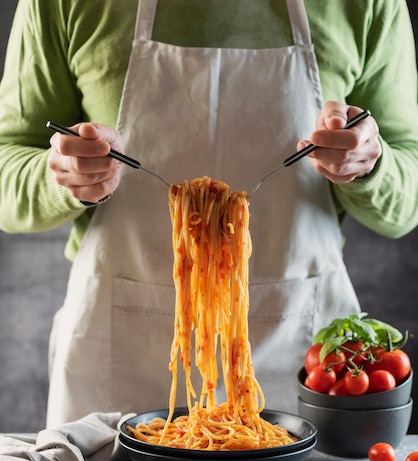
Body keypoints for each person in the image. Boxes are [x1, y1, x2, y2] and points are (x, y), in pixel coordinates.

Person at [0, 0, 417, 427]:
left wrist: (370, 163)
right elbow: (6, 175)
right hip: (119, 352)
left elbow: (406, 205)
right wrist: (63, 176)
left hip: (298, 349)